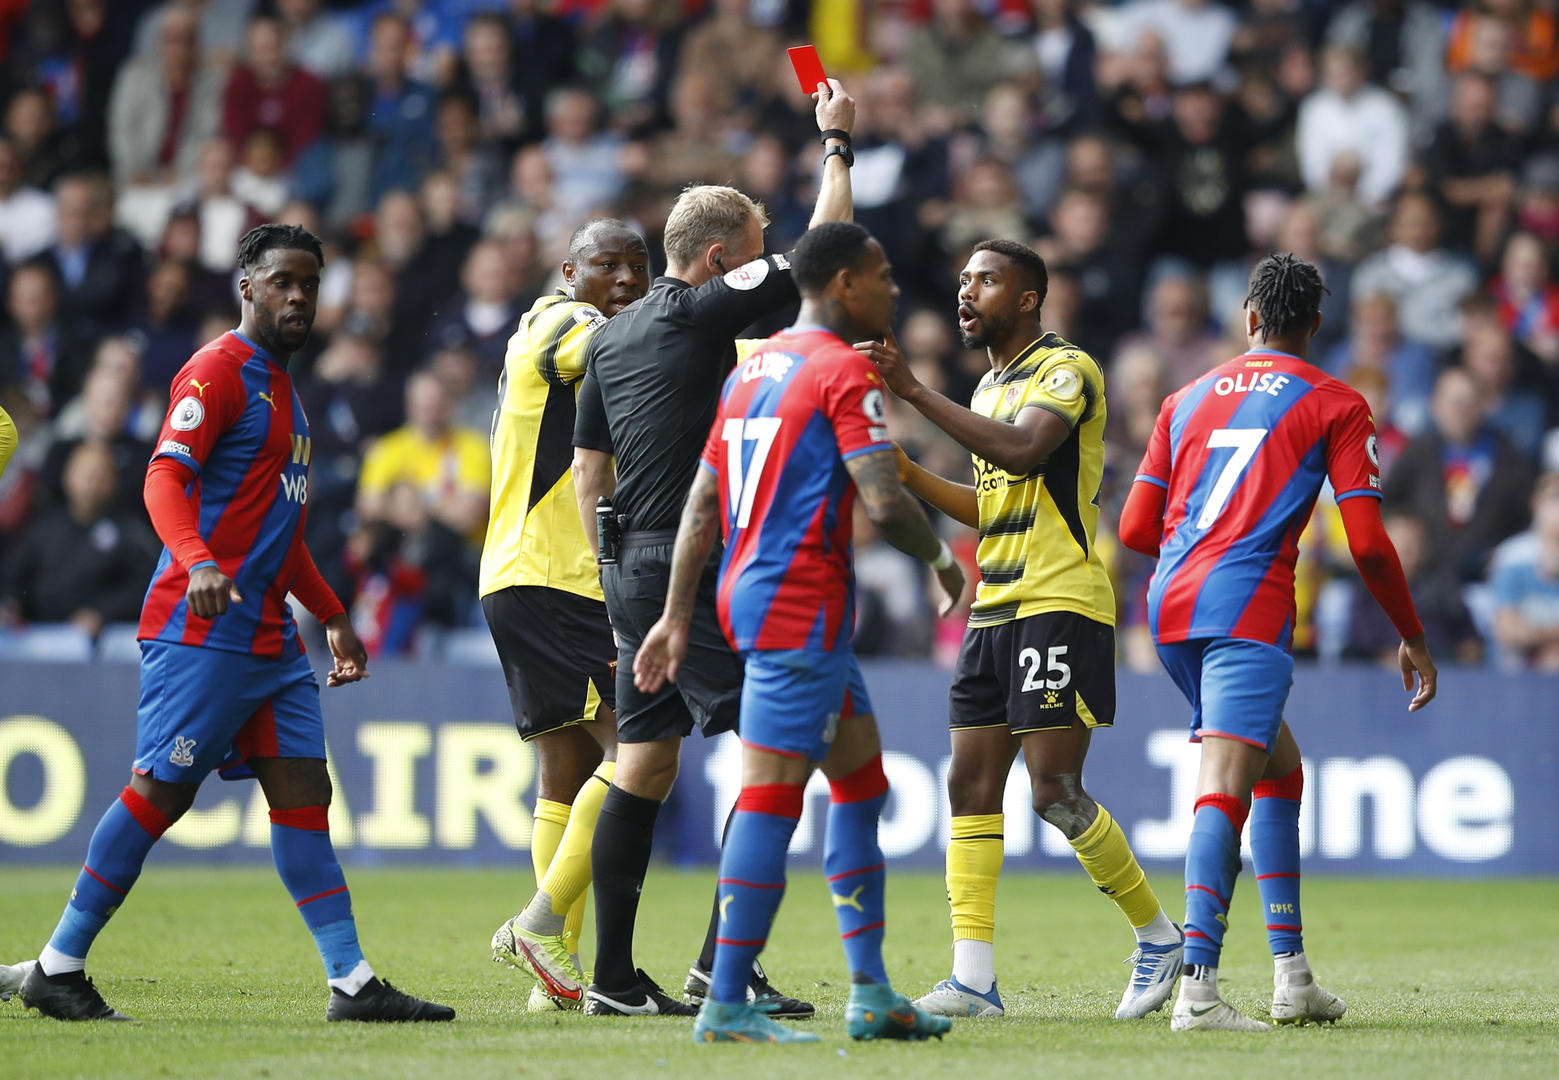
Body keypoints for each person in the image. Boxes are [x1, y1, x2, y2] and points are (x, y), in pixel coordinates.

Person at [12, 224, 453, 1024]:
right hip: (199, 626)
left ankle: (351, 983)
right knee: (161, 790)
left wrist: (332, 616)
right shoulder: (215, 371)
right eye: (282, 281)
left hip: (269, 641)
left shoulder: (286, 392)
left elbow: (275, 536)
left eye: (310, 285)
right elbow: (162, 478)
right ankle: (58, 965)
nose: (298, 297)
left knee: (303, 794)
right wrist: (197, 560)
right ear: (246, 286)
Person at [507, 78, 857, 1019]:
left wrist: (617, 572)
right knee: (784, 746)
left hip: (624, 565)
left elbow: (589, 476)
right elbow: (822, 258)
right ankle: (719, 967)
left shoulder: (611, 339)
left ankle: (613, 979)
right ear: (716, 261)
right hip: (686, 569)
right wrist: (833, 147)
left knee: (646, 763)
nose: (761, 271)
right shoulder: (699, 311)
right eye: (750, 255)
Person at [633, 222, 963, 1045]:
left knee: (861, 785)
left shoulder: (754, 371)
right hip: (798, 606)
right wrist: (944, 560)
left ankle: (871, 992)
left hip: (762, 599)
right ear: (844, 284)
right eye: (882, 275)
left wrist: (678, 616)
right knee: (772, 796)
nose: (892, 289)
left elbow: (704, 505)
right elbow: (883, 501)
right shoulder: (840, 370)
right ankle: (725, 999)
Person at [862, 241, 1183, 1022]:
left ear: (1029, 297)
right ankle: (973, 977)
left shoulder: (1065, 371)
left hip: (1058, 601)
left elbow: (1022, 448)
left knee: (1052, 792)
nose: (966, 292)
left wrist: (911, 390)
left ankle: (1158, 934)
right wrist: (907, 472)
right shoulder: (989, 384)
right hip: (993, 604)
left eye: (985, 280)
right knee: (966, 784)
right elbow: (987, 500)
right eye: (964, 280)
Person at [1117, 253, 1437, 1031]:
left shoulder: (1184, 399)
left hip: (1171, 607)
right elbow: (1364, 544)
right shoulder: (1334, 401)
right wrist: (1411, 635)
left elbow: (1131, 529)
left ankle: (1291, 974)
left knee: (1278, 771)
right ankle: (1197, 992)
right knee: (1223, 783)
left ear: (1249, 318)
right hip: (1247, 607)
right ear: (1315, 327)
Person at [485, 218, 651, 1012]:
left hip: (523, 574)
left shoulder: (556, 327)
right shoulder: (565, 323)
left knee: (565, 773)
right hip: (558, 578)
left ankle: (555, 977)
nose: (623, 278)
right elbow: (633, 346)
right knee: (639, 754)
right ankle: (539, 928)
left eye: (637, 265)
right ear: (568, 270)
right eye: (605, 264)